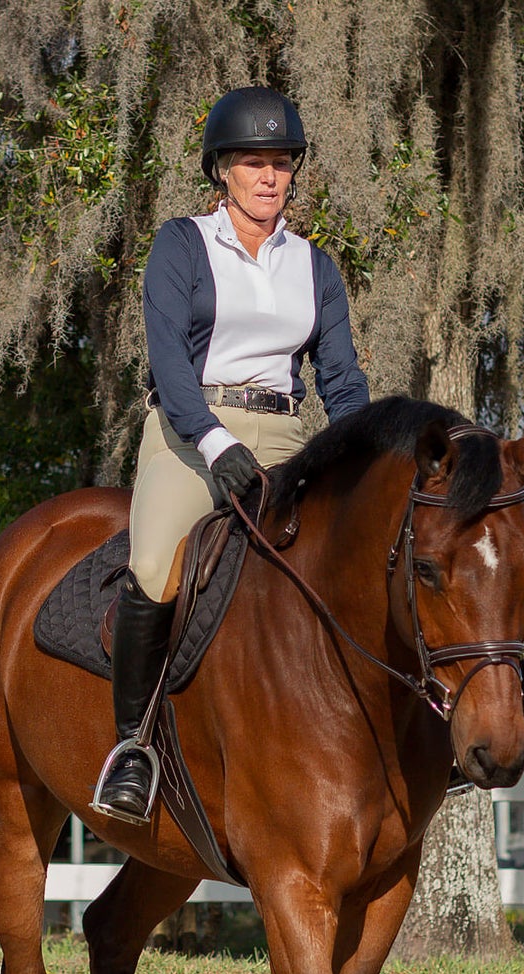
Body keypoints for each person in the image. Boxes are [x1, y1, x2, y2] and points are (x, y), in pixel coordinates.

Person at [93, 87, 373, 823]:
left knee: (360, 550)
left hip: (285, 433)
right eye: (253, 162)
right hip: (190, 431)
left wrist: (363, 456)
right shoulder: (182, 243)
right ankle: (133, 747)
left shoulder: (314, 266)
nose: (269, 176)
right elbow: (168, 363)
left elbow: (341, 380)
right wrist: (215, 443)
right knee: (155, 563)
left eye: (281, 162)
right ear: (221, 169)